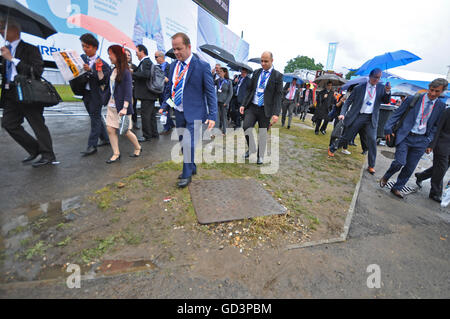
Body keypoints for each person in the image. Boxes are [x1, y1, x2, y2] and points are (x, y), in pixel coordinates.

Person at [159, 32, 217, 188]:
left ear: (189, 47)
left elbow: (211, 93)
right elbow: (170, 89)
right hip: (179, 112)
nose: (176, 52)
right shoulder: (173, 67)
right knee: (183, 143)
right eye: (174, 49)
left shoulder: (202, 66)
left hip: (196, 113)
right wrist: (165, 106)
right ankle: (192, 166)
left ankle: (186, 175)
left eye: (179, 48)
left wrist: (212, 115)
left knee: (188, 142)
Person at [0, 19, 57, 167]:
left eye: (3, 27)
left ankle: (48, 155)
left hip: (28, 92)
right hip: (10, 93)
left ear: (15, 30)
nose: (1, 31)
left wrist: (12, 59)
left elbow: (36, 71)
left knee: (37, 123)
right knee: (8, 123)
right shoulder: (5, 50)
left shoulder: (30, 49)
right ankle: (35, 149)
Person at [380, 78, 447, 199]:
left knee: (410, 167)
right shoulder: (414, 99)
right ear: (428, 87)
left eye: (437, 91)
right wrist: (388, 128)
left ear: (442, 92)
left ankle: (397, 187)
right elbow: (397, 114)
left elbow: (436, 126)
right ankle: (387, 175)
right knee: (400, 162)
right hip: (405, 136)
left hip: (421, 140)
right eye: (431, 90)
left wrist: (429, 141)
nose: (432, 94)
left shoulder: (440, 106)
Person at [328, 68, 391, 175]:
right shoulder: (359, 88)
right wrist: (343, 113)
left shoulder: (381, 88)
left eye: (379, 78)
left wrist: (388, 91)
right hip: (358, 116)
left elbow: (386, 101)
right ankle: (333, 147)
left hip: (371, 118)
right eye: (375, 77)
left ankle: (371, 165)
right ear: (370, 76)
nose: (377, 79)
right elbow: (348, 102)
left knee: (372, 140)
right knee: (347, 137)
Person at [240, 51, 283, 165]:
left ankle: (260, 156)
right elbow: (249, 90)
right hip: (253, 107)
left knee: (262, 133)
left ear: (272, 61)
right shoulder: (256, 73)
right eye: (261, 61)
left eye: (266, 61)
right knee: (246, 127)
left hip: (266, 110)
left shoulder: (278, 76)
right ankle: (252, 148)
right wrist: (243, 104)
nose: (263, 63)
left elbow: (278, 96)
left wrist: (276, 113)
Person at [104, 45, 142, 164]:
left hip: (122, 107)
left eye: (111, 54)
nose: (109, 56)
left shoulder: (125, 72)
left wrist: (125, 107)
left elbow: (128, 90)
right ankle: (116, 153)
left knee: (125, 131)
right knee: (110, 129)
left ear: (117, 55)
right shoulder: (113, 70)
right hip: (111, 105)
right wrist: (99, 70)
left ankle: (138, 147)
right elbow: (105, 84)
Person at [78, 33, 112, 157]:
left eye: (87, 47)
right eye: (83, 46)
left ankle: (92, 145)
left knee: (95, 118)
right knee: (95, 117)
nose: (85, 49)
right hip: (85, 93)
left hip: (96, 95)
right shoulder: (82, 58)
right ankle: (106, 139)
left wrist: (92, 71)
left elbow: (103, 81)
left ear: (95, 47)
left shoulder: (103, 63)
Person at [415, 106, 450, 203]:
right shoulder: (447, 111)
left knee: (441, 168)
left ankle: (421, 176)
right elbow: (438, 129)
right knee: (441, 169)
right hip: (442, 145)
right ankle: (435, 192)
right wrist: (431, 145)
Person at [133, 44, 159, 142]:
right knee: (151, 115)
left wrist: (133, 73)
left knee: (145, 115)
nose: (136, 54)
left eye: (137, 52)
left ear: (142, 51)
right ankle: (154, 133)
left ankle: (146, 135)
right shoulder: (146, 62)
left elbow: (146, 75)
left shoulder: (146, 62)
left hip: (146, 94)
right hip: (149, 94)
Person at [155, 50, 175, 135]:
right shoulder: (156, 67)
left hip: (169, 94)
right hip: (161, 93)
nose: (155, 59)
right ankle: (167, 127)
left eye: (156, 57)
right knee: (164, 110)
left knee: (172, 108)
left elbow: (174, 79)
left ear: (161, 57)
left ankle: (170, 125)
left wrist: (168, 80)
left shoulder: (170, 66)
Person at [215, 67, 233, 135]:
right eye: (219, 71)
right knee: (217, 116)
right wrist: (213, 73)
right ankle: (217, 129)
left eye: (221, 71)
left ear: (225, 73)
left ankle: (225, 131)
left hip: (224, 102)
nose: (219, 72)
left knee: (224, 117)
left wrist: (226, 102)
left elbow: (230, 93)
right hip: (218, 101)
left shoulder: (229, 82)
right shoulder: (218, 80)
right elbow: (210, 82)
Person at [124, 48, 139, 129]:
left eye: (129, 55)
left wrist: (132, 72)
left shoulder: (134, 66)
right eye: (126, 55)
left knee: (133, 107)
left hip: (132, 90)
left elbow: (138, 76)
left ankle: (134, 122)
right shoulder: (119, 66)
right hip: (122, 90)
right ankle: (123, 123)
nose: (128, 57)